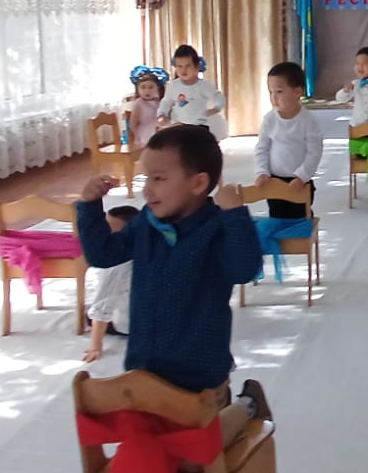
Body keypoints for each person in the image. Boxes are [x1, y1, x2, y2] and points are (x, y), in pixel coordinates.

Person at [75, 125, 268, 443]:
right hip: (144, 368)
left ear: (198, 183)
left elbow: (245, 270)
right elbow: (102, 254)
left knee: (196, 452)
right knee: (145, 445)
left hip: (198, 377)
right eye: (146, 179)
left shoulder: (216, 228)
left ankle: (248, 406)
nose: (147, 190)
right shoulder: (146, 223)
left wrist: (235, 216)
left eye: (159, 179)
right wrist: (89, 205)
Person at [255, 61, 324, 219]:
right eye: (271, 92)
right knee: (277, 218)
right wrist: (262, 171)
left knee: (299, 218)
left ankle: (304, 229)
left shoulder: (308, 121)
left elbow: (314, 152)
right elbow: (262, 148)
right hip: (274, 180)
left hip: (299, 181)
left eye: (279, 91)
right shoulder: (269, 119)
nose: (274, 97)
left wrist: (302, 176)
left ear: (297, 92)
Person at [82, 204, 139, 363]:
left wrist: (95, 346)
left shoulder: (116, 263)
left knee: (89, 315)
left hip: (133, 325)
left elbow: (102, 307)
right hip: (157, 321)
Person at [157, 45, 228, 141]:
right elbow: (166, 102)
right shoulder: (173, 86)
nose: (183, 70)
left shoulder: (204, 86)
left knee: (199, 147)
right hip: (179, 125)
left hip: (199, 125)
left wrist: (216, 108)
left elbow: (219, 98)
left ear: (197, 67)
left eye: (188, 66)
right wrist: (162, 114)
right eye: (179, 66)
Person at [123, 67, 167, 148]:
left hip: (159, 130)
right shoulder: (139, 103)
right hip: (145, 134)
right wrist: (137, 135)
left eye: (151, 87)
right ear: (138, 89)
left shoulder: (159, 102)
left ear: (157, 88)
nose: (147, 91)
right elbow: (133, 123)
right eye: (143, 87)